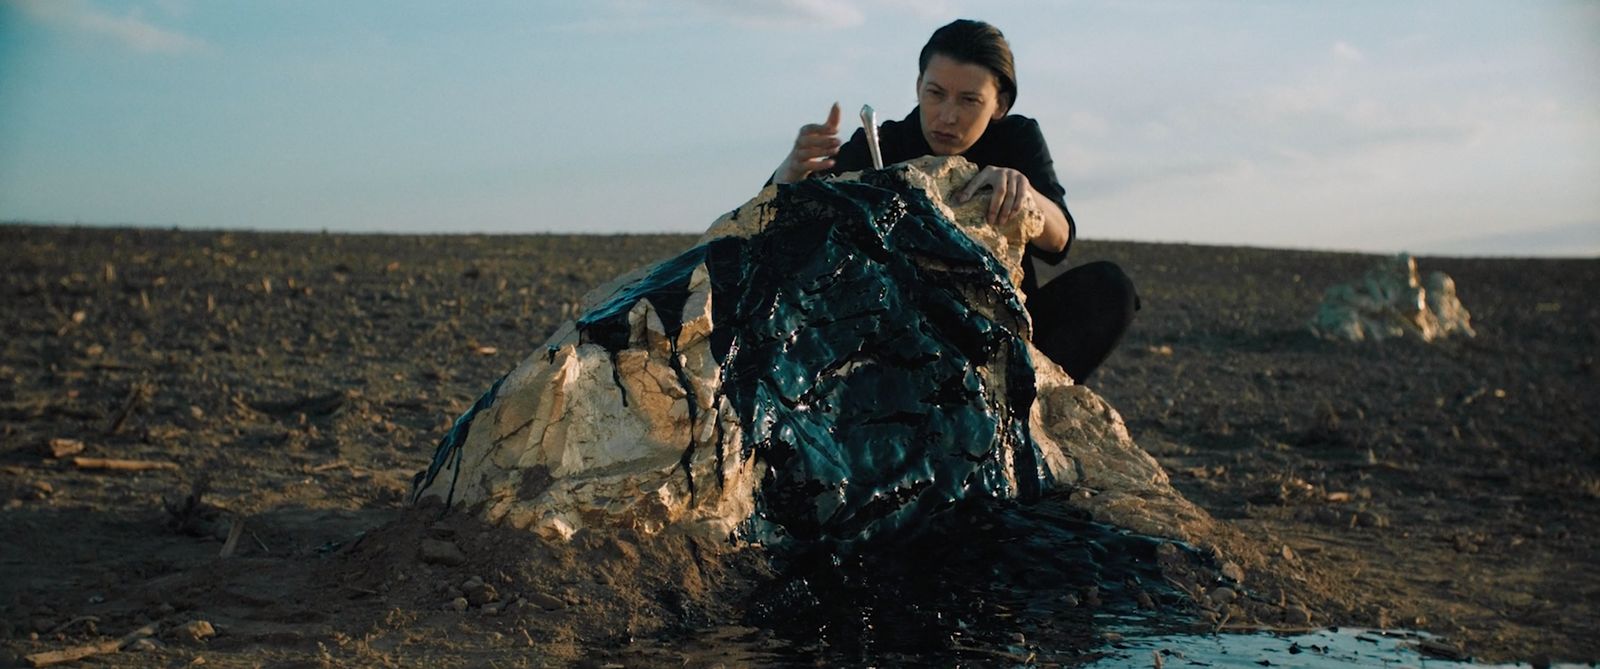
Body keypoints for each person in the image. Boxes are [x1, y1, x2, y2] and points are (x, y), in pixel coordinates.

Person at [770, 19, 1138, 383]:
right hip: (901, 342)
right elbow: (783, 228)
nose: (947, 116)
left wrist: (1027, 196)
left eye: (969, 100)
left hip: (1002, 337)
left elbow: (1060, 243)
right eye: (936, 94)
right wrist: (790, 171)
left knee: (1109, 288)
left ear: (999, 104)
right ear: (919, 86)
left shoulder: (1017, 138)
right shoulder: (879, 144)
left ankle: (1023, 402)